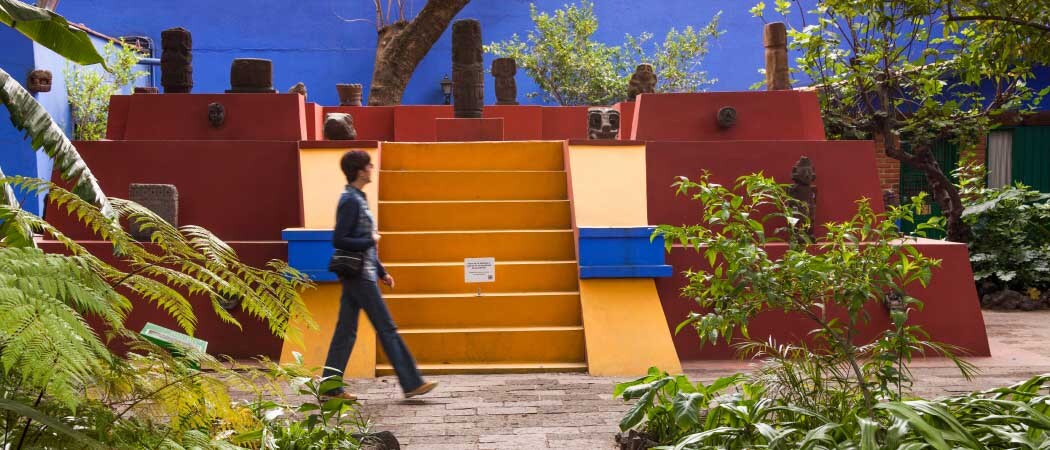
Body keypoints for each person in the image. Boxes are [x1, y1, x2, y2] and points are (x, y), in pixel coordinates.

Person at [321, 150, 437, 400]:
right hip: (359, 275)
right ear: (360, 170)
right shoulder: (350, 201)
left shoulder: (358, 198)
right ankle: (412, 382)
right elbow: (339, 239)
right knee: (386, 328)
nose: (371, 168)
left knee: (346, 331)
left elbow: (362, 241)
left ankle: (329, 386)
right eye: (368, 165)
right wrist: (370, 240)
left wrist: (382, 271)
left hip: (363, 272)